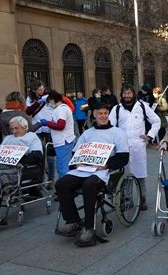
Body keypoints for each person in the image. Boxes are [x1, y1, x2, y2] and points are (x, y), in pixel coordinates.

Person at [55, 102, 129, 247]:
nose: (103, 116)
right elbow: (75, 153)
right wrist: (76, 163)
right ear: (94, 115)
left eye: (105, 113)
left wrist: (106, 165)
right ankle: (73, 221)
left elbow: (123, 157)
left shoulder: (117, 133)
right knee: (61, 184)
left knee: (89, 185)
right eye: (99, 113)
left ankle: (88, 227)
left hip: (104, 171)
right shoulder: (87, 133)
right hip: (83, 169)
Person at [110, 84, 160, 210]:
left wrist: (149, 135)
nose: (127, 96)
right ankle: (128, 199)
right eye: (125, 93)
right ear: (121, 94)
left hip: (138, 145)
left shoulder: (142, 106)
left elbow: (156, 121)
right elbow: (111, 127)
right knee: (125, 175)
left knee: (140, 174)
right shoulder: (116, 109)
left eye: (129, 93)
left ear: (133, 94)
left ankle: (143, 199)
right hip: (122, 147)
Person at [40, 90, 75, 179]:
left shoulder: (61, 109)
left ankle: (64, 190)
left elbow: (60, 125)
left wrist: (47, 123)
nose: (49, 104)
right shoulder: (64, 108)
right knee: (64, 167)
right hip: (65, 141)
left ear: (52, 100)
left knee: (62, 168)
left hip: (63, 142)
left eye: (49, 102)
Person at [26, 80, 55, 180]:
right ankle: (39, 179)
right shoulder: (30, 98)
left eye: (42, 89)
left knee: (50, 156)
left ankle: (51, 179)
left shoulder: (49, 96)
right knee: (39, 154)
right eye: (39, 90)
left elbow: (55, 106)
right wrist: (37, 103)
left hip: (49, 127)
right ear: (34, 90)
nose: (41, 91)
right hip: (37, 128)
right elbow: (28, 111)